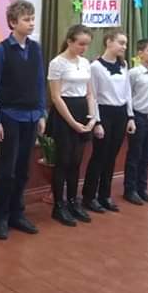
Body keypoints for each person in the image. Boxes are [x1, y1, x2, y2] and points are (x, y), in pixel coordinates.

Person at [0, 0, 46, 240]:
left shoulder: (36, 49)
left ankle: (17, 213)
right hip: (9, 116)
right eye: (26, 19)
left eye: (33, 19)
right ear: (13, 23)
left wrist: (41, 112)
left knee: (23, 169)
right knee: (7, 171)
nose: (31, 23)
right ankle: (0, 217)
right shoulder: (1, 50)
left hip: (31, 116)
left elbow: (39, 81)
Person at [81, 29, 136, 214]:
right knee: (99, 156)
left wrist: (130, 116)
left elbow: (127, 92)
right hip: (104, 113)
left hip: (120, 114)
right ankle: (89, 196)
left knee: (112, 156)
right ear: (109, 42)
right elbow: (93, 95)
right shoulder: (95, 67)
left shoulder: (123, 65)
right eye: (121, 42)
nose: (124, 47)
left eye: (125, 43)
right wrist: (96, 122)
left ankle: (105, 195)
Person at [46, 24, 96, 226]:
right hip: (64, 114)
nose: (84, 48)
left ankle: (74, 202)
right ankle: (59, 206)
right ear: (69, 41)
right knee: (63, 161)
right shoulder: (57, 63)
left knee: (76, 161)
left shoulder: (85, 63)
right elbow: (56, 97)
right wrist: (73, 123)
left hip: (82, 110)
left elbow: (90, 93)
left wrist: (92, 118)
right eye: (81, 44)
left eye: (87, 44)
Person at [123, 39, 148, 205]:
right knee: (135, 154)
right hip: (138, 117)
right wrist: (130, 117)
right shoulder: (133, 73)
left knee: (147, 156)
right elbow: (127, 96)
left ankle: (142, 189)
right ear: (140, 53)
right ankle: (129, 190)